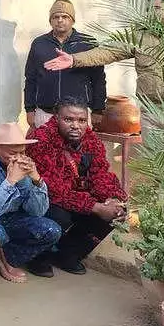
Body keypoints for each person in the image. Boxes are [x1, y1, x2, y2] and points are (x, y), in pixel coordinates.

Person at [27, 97, 127, 274]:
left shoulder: (91, 140)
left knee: (116, 212)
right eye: (68, 119)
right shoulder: (41, 139)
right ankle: (38, 256)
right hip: (43, 198)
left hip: (77, 196)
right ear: (56, 118)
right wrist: (95, 207)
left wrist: (112, 199)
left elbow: (101, 174)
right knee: (60, 215)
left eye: (81, 120)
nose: (76, 126)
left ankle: (68, 255)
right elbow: (53, 189)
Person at [44, 0, 164, 111]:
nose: (150, 14)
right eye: (147, 10)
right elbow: (108, 52)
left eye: (156, 8)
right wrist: (73, 59)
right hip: (150, 110)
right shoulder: (140, 36)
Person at [0, 123, 62, 281]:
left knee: (52, 230)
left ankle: (6, 258)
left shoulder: (24, 164)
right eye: (13, 152)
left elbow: (37, 212)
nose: (19, 157)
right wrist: (10, 181)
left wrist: (37, 180)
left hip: (13, 218)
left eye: (22, 152)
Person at [24, 0, 105, 130]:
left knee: (78, 145)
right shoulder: (39, 44)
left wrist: (98, 109)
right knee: (43, 144)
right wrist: (29, 109)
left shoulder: (87, 43)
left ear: (72, 20)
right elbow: (30, 79)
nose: (60, 20)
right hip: (46, 113)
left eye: (65, 16)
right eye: (56, 17)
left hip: (78, 116)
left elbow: (98, 79)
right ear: (50, 20)